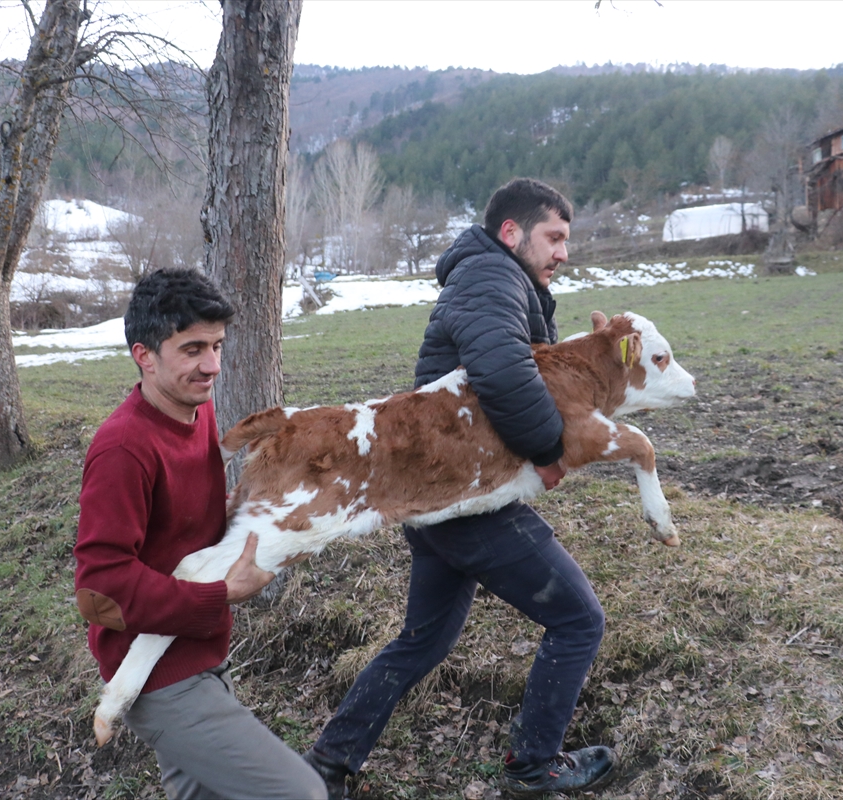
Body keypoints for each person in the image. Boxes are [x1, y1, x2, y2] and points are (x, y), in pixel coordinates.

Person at [302, 178, 616, 799]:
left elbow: (525, 367)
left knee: (422, 640)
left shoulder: (499, 281)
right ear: (511, 233)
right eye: (553, 237)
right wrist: (551, 450)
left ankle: (327, 767)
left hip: (437, 493)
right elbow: (502, 370)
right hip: (467, 496)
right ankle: (533, 765)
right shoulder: (490, 279)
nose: (563, 252)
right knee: (579, 620)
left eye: (566, 240)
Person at [74, 268, 326, 800]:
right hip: (157, 674)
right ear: (144, 354)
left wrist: (246, 513)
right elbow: (99, 592)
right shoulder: (123, 450)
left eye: (216, 346)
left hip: (204, 650)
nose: (211, 365)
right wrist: (221, 595)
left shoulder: (198, 411)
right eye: (192, 349)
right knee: (301, 794)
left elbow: (186, 524)